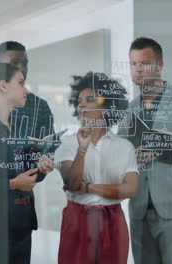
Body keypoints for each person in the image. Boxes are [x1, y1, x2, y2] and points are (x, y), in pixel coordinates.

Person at [0, 41, 56, 263]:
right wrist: (12, 183)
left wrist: (42, 168)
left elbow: (41, 158)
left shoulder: (40, 107)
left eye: (25, 62)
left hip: (22, 216)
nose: (22, 67)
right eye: (15, 63)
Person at [54, 72, 138, 264]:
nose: (81, 105)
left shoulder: (124, 147)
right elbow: (73, 184)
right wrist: (82, 149)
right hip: (77, 220)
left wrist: (89, 188)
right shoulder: (67, 143)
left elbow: (130, 189)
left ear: (106, 107)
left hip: (113, 221)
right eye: (79, 100)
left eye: (89, 100)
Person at [123, 37, 172, 264]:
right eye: (133, 64)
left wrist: (167, 148)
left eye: (144, 63)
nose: (138, 69)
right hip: (139, 209)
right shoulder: (129, 109)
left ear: (159, 65)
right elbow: (121, 154)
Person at [0, 63, 54, 263]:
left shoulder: (18, 129)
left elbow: (28, 174)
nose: (26, 90)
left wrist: (42, 168)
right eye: (21, 83)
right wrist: (12, 184)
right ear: (3, 86)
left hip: (23, 222)